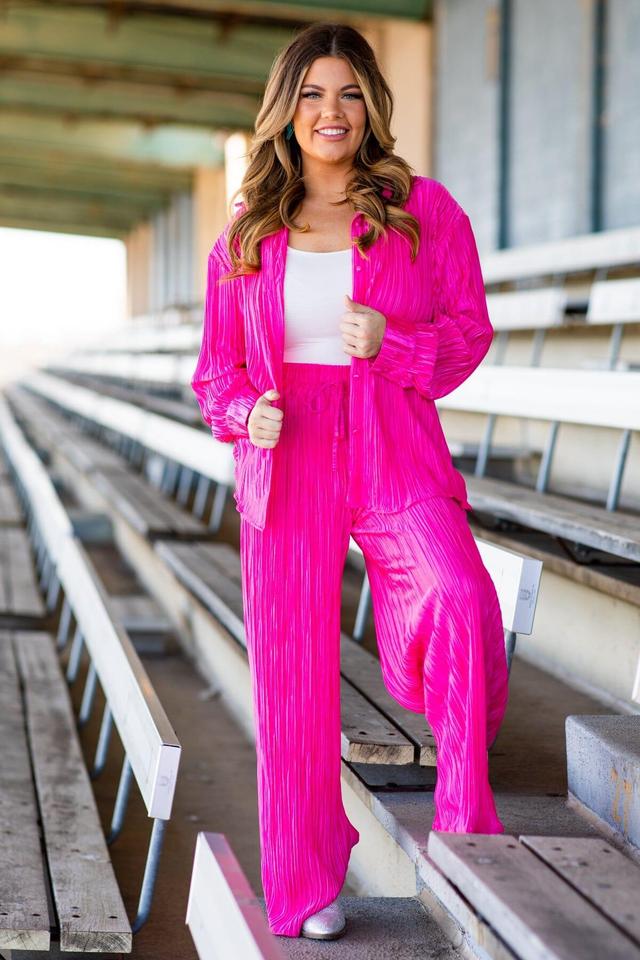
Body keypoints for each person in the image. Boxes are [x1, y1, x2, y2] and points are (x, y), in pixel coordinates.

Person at [191, 20, 509, 943]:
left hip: (392, 441)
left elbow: (469, 333)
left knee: (455, 594)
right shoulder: (246, 235)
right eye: (314, 94)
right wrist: (245, 410)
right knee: (291, 680)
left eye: (350, 94)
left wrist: (397, 343)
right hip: (285, 456)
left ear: (371, 105)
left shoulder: (424, 211)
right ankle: (303, 885)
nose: (332, 112)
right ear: (286, 110)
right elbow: (215, 374)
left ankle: (464, 825)